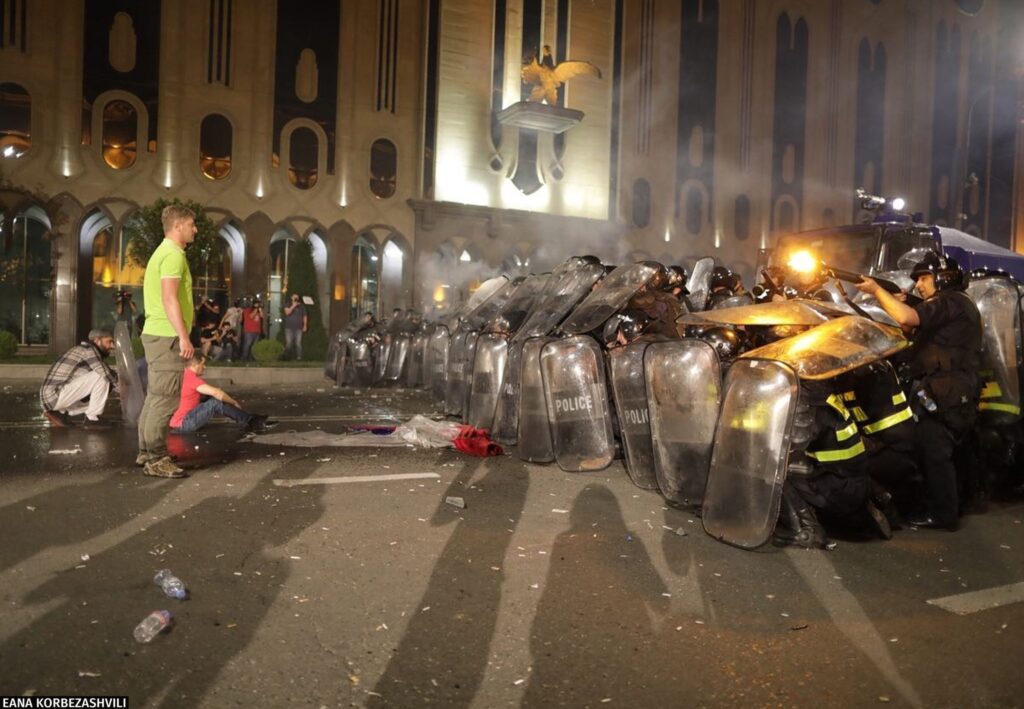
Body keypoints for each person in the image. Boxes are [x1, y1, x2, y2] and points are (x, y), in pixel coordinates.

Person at [858, 252, 982, 530]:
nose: (919, 285)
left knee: (934, 451)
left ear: (943, 277)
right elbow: (908, 324)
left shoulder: (949, 301)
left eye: (924, 278)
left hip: (946, 392)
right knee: (940, 451)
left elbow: (907, 318)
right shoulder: (955, 305)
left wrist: (877, 290)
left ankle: (943, 516)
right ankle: (944, 506)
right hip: (949, 390)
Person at [136, 204, 197, 479]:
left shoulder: (162, 252)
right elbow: (169, 297)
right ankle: (156, 459)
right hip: (167, 336)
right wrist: (184, 336)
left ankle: (147, 452)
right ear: (178, 226)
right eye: (191, 224)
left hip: (156, 333)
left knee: (155, 398)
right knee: (164, 400)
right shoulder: (173, 255)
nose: (195, 229)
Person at [169, 353, 275, 433]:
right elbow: (216, 392)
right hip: (183, 424)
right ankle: (252, 421)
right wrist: (233, 402)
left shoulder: (184, 375)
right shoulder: (192, 378)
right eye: (203, 364)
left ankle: (250, 419)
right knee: (215, 401)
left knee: (210, 399)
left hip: (180, 421)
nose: (204, 367)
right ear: (195, 365)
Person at [39, 329, 117, 429]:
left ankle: (59, 412)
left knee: (105, 386)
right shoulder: (88, 350)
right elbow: (105, 374)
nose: (112, 346)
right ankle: (92, 419)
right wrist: (124, 389)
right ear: (97, 340)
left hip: (51, 397)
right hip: (54, 395)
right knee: (102, 376)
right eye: (109, 341)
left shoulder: (84, 350)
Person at [283, 293, 308, 359]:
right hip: (289, 327)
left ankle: (299, 357)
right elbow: (287, 313)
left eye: (297, 297)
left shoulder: (301, 306)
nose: (296, 298)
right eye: (294, 296)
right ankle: (286, 356)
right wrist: (293, 306)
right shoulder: (287, 304)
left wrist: (305, 325)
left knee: (298, 343)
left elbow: (305, 316)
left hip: (298, 328)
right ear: (291, 297)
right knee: (288, 343)